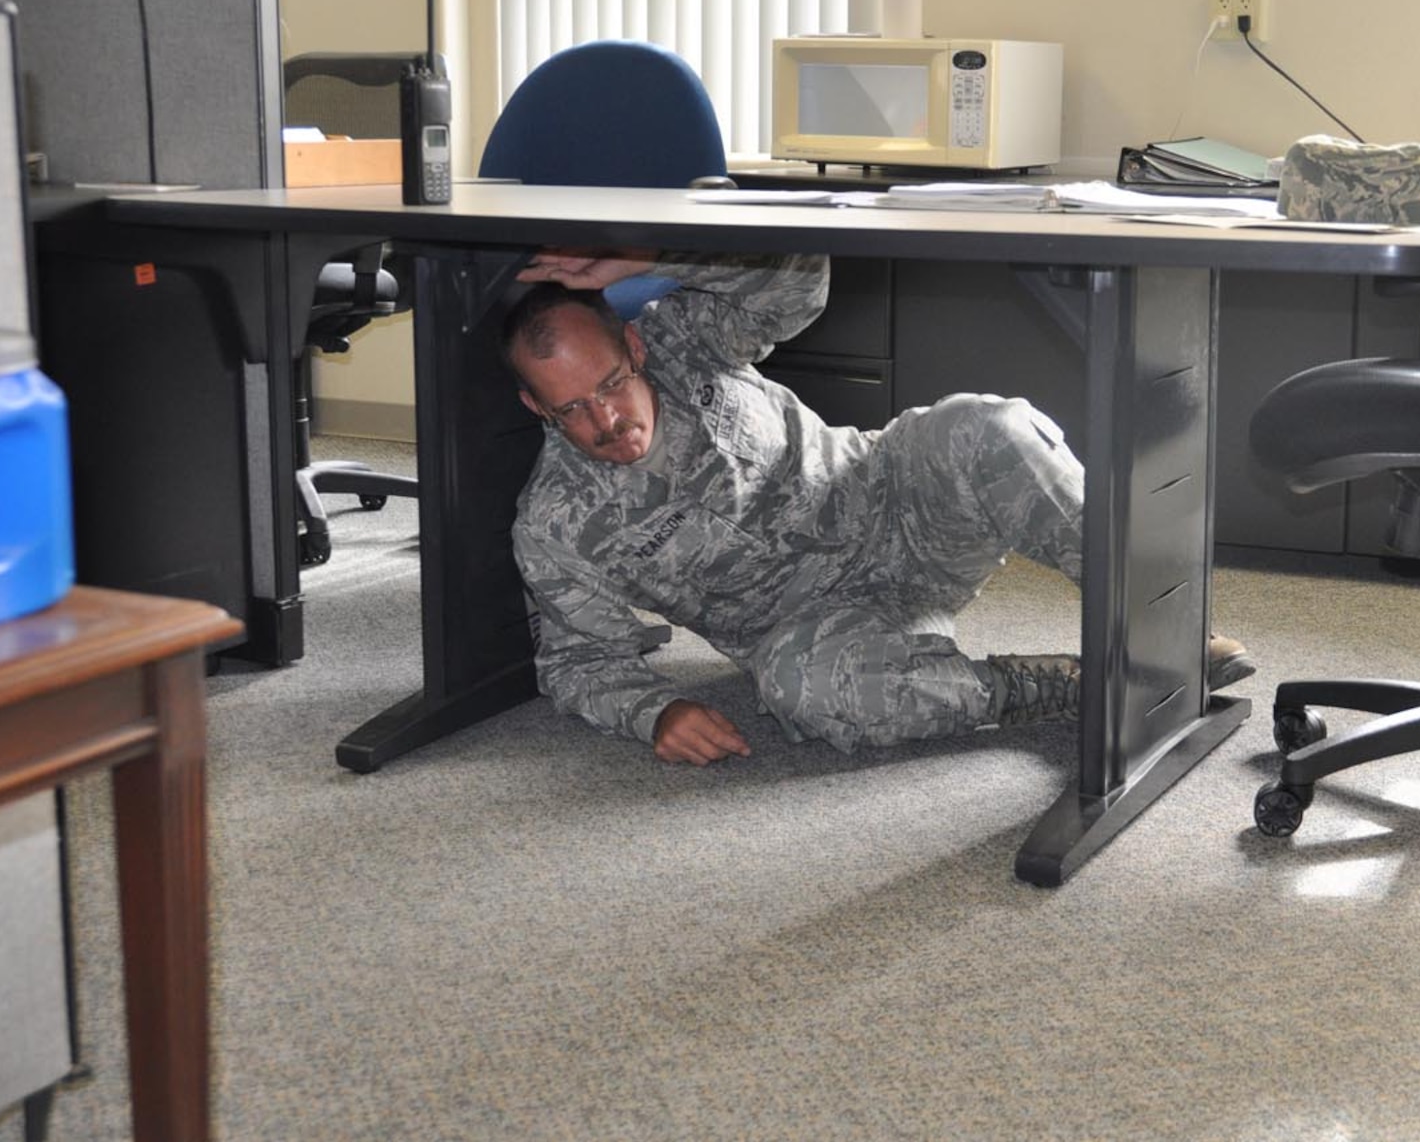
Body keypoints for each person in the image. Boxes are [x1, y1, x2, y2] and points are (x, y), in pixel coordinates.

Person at [504, 246, 1255, 766]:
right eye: (571, 409)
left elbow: (799, 278)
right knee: (799, 690)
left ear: (632, 348)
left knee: (986, 426)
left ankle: (1161, 627)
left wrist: (646, 259)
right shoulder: (555, 524)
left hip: (892, 504)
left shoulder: (683, 338)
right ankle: (1065, 686)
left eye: (608, 386)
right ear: (534, 405)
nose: (606, 423)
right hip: (815, 628)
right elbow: (578, 662)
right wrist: (654, 713)